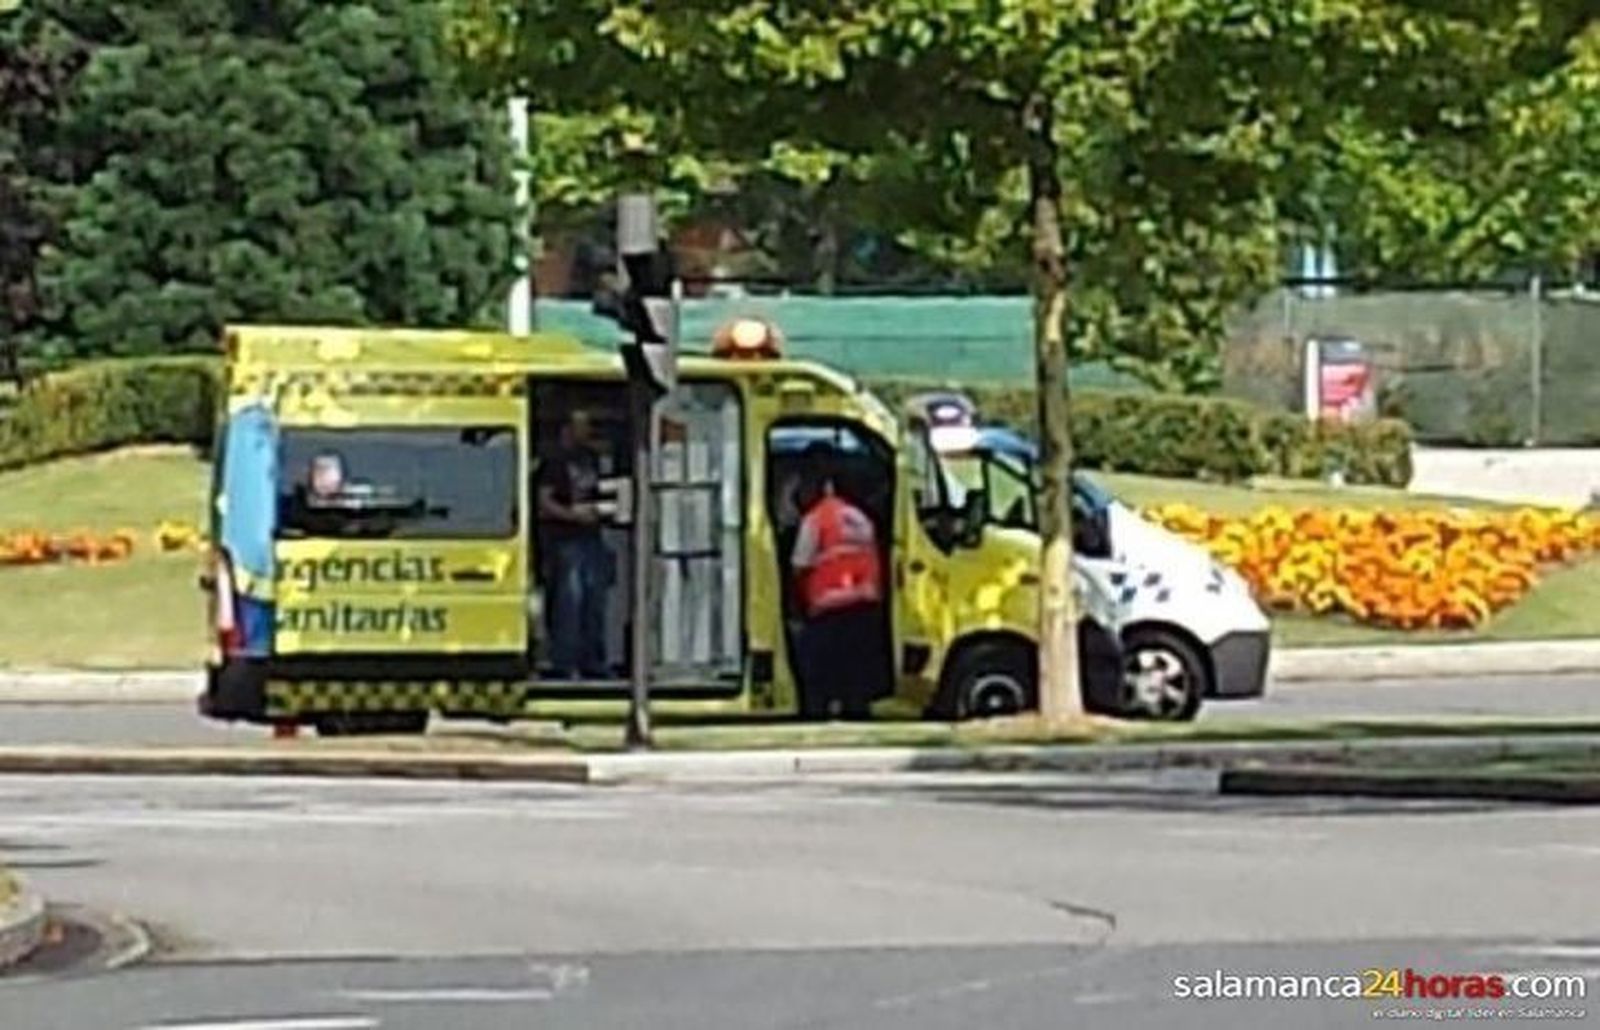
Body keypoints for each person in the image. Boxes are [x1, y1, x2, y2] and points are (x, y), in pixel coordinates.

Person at [790, 456, 884, 720]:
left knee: (820, 676)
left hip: (830, 609)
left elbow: (800, 566)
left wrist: (796, 607)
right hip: (865, 605)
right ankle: (857, 712)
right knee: (856, 677)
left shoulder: (816, 519)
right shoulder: (860, 517)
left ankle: (819, 714)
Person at [537, 409, 610, 679]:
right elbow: (542, 500)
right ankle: (563, 665)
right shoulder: (554, 461)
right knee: (569, 604)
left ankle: (592, 662)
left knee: (594, 603)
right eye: (581, 425)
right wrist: (572, 515)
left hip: (592, 537)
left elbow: (600, 489)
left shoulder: (590, 458)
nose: (587, 431)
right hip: (564, 541)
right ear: (566, 429)